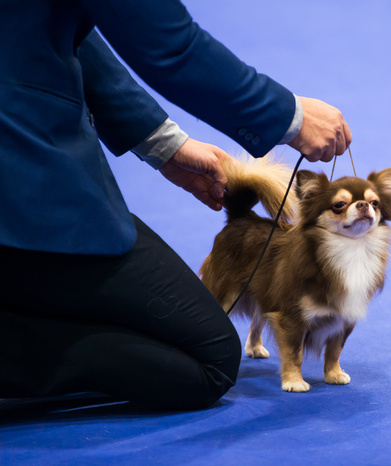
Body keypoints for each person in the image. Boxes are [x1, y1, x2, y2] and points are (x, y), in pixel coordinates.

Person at [0, 0, 351, 411]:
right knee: (211, 361)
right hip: (24, 179)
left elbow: (66, 28)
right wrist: (289, 116)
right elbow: (169, 43)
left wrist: (165, 144)